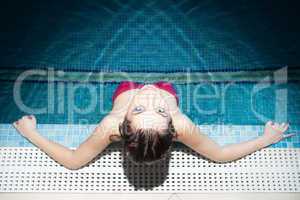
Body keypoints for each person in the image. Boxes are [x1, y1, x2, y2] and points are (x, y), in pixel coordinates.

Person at [13, 81, 294, 170]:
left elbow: (74, 161)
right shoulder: (182, 125)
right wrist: (265, 139)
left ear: (123, 125)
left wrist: (32, 133)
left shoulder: (110, 125)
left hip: (125, 88)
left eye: (160, 108)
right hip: (168, 87)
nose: (149, 94)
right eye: (158, 109)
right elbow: (220, 155)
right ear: (172, 126)